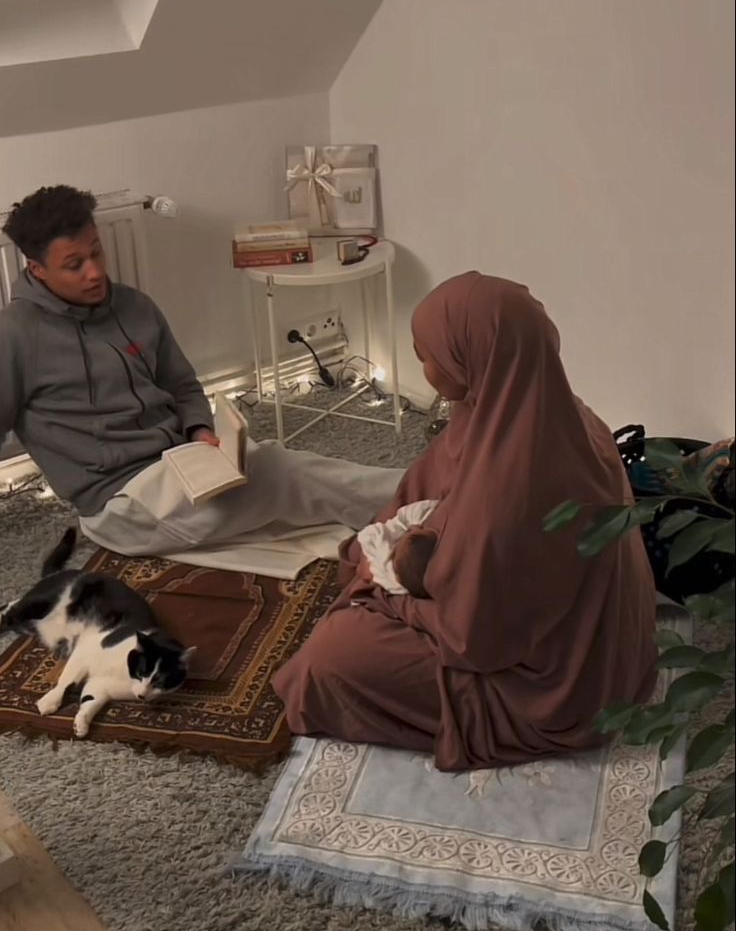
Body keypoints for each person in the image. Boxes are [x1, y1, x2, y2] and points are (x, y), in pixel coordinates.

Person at [273, 272, 657, 771]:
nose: (424, 368)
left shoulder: (516, 478)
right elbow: (427, 483)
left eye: (428, 356)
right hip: (588, 643)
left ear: (471, 358)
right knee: (358, 562)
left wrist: (388, 590)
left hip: (549, 683)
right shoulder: (547, 412)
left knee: (328, 661)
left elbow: (472, 637)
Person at [0, 186, 403, 564]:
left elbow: (182, 385)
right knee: (283, 476)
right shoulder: (15, 334)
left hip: (185, 465)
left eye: (96, 253)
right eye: (74, 265)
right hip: (121, 503)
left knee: (276, 478)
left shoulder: (133, 305)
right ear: (36, 270)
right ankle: (425, 495)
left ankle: (412, 507)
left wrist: (197, 429)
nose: (94, 272)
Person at [356, 500, 438, 596]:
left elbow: (369, 534)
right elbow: (429, 507)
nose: (410, 530)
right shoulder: (411, 581)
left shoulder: (387, 573)